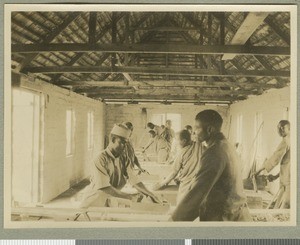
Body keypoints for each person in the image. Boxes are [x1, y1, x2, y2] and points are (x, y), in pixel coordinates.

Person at [171, 110, 251, 221]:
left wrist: (175, 220)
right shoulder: (226, 145)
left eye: (197, 128)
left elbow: (199, 191)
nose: (194, 132)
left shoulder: (214, 152)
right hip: (234, 212)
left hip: (225, 217)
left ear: (209, 130)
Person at [77, 124, 161, 208]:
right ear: (113, 139)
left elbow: (133, 179)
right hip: (94, 201)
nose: (125, 147)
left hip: (111, 199)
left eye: (126, 143)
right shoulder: (100, 159)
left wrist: (150, 194)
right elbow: (105, 188)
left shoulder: (124, 158)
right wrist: (130, 196)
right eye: (122, 143)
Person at [153, 129, 202, 203]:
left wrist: (161, 184)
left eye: (177, 140)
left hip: (187, 184)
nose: (176, 143)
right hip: (200, 182)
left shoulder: (182, 153)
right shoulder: (200, 146)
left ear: (184, 141)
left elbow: (174, 172)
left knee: (180, 202)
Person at [254, 120, 290, 209]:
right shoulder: (288, 140)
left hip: (289, 180)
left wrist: (258, 170)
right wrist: (275, 176)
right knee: (281, 201)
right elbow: (286, 164)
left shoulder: (287, 141)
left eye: (283, 128)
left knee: (286, 203)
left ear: (289, 128)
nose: (280, 130)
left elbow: (274, 159)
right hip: (286, 177)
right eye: (279, 128)